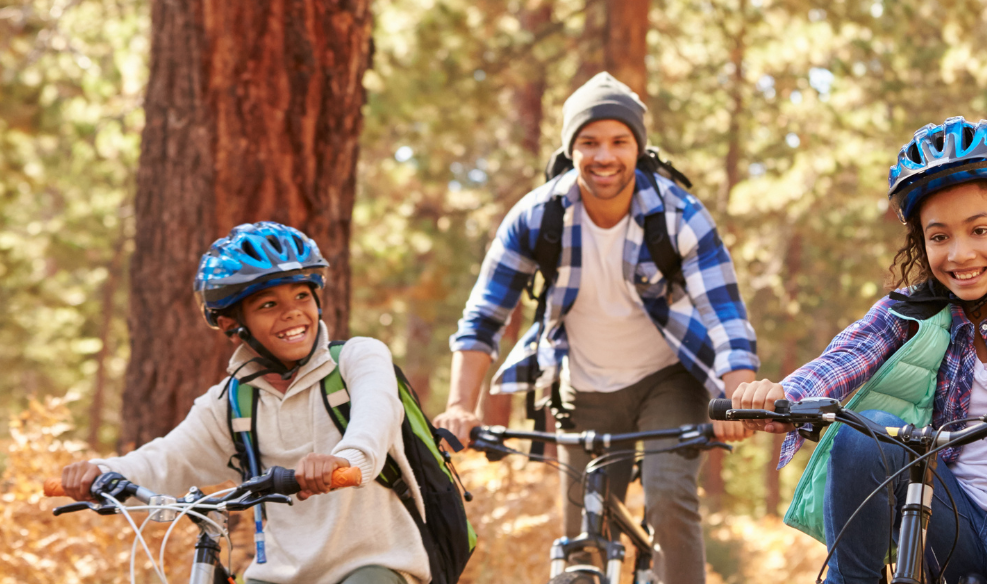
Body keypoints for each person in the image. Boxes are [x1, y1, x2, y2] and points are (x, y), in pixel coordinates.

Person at [731, 117, 987, 584]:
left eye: (980, 230)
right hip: (943, 513)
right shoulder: (913, 310)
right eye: (940, 236)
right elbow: (844, 358)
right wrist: (780, 395)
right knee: (865, 435)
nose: (960, 254)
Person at [434, 72, 758, 584]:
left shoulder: (679, 214)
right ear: (571, 149)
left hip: (668, 380)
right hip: (581, 385)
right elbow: (483, 317)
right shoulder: (537, 217)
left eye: (618, 142)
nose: (604, 156)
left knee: (669, 494)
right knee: (582, 536)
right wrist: (460, 406)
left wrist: (739, 397)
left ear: (638, 147)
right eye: (589, 142)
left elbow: (725, 317)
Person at [56, 222, 431, 584]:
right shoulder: (231, 402)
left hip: (374, 565)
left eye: (302, 295)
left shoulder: (358, 358)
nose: (293, 312)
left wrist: (345, 460)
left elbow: (375, 421)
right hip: (282, 574)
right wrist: (101, 471)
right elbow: (168, 458)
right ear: (230, 325)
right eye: (268, 304)